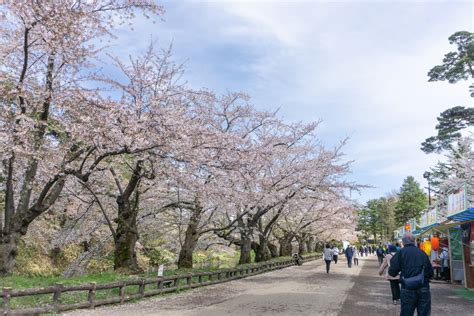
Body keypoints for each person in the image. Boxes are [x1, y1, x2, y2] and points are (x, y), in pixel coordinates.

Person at [388, 233, 434, 316]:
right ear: (414, 241)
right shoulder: (422, 253)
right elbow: (430, 273)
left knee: (406, 313)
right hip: (423, 287)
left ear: (403, 242)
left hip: (407, 288)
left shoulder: (400, 253)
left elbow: (392, 272)